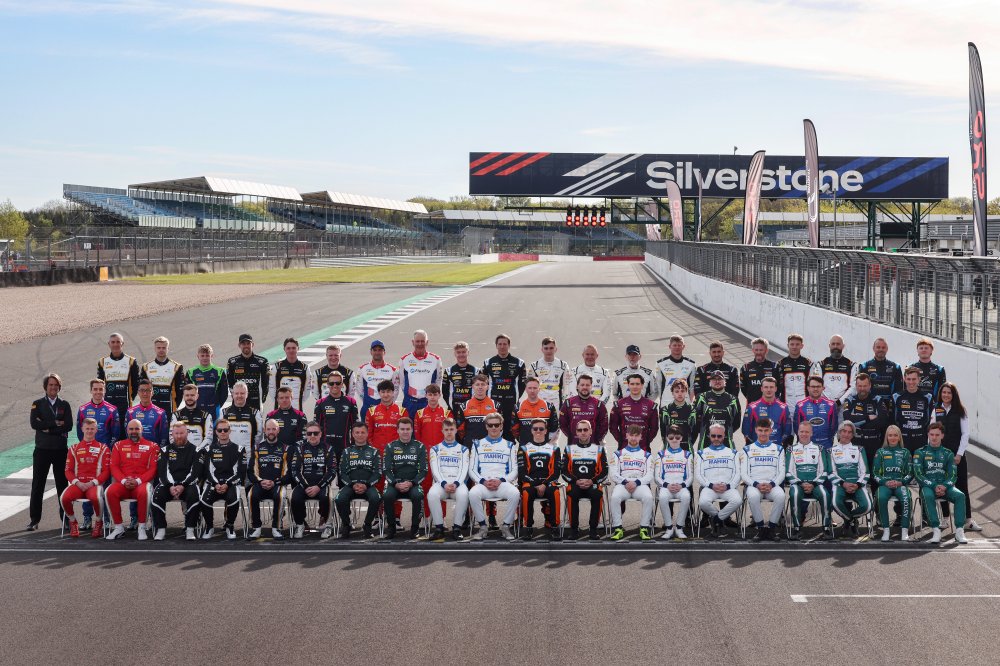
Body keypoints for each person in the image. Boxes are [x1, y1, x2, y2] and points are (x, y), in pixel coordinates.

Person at [933, 381, 981, 531]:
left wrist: (959, 454)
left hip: (957, 456)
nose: (946, 395)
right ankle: (945, 519)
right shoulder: (936, 410)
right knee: (941, 486)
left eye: (949, 393)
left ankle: (968, 520)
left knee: (962, 487)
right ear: (940, 394)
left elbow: (965, 434)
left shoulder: (961, 410)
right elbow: (932, 433)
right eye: (944, 392)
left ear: (953, 395)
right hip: (940, 456)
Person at [28, 373, 73, 531]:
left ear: (59, 387)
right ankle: (34, 520)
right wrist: (56, 423)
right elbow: (34, 424)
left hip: (60, 450)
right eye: (50, 385)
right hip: (42, 450)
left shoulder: (65, 404)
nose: (53, 387)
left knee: (62, 486)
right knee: (37, 485)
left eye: (56, 385)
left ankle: (65, 519)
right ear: (45, 387)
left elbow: (68, 425)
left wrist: (48, 428)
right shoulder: (37, 404)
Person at [105, 419, 160, 541]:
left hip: (142, 483)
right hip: (123, 483)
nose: (134, 431)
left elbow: (153, 469)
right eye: (131, 429)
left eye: (137, 429)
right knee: (110, 491)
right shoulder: (118, 445)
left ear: (142, 430)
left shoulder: (153, 446)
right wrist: (124, 481)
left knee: (144, 492)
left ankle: (142, 527)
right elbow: (114, 467)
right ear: (127, 430)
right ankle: (118, 527)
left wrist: (138, 481)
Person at [913, 422, 968, 544]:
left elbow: (953, 475)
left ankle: (960, 531)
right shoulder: (920, 452)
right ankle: (936, 530)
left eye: (937, 435)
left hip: (945, 486)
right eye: (931, 434)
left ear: (942, 435)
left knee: (960, 495)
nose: (934, 437)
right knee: (927, 495)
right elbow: (918, 474)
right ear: (928, 435)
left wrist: (945, 486)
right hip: (928, 486)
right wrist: (934, 486)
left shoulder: (948, 453)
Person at [468, 415, 519, 541]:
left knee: (515, 493)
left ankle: (506, 526)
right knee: (472, 493)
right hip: (484, 484)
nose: (494, 428)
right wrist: (483, 481)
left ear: (501, 426)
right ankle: (483, 527)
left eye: (497, 425)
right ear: (486, 426)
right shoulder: (477, 444)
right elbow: (472, 469)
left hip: (502, 483)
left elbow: (514, 470)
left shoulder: (509, 445)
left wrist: (501, 481)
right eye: (490, 425)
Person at [76, 379, 119, 530]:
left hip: (105, 455)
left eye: (101, 389)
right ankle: (87, 518)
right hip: (87, 457)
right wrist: (87, 449)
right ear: (91, 391)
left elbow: (115, 434)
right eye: (95, 389)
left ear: (104, 391)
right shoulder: (83, 409)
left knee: (105, 489)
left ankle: (106, 518)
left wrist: (105, 451)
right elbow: (79, 433)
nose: (98, 392)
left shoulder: (112, 410)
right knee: (87, 486)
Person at [59, 419, 110, 538]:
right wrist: (77, 483)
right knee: (64, 498)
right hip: (78, 485)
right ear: (82, 429)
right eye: (87, 428)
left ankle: (98, 522)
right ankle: (73, 522)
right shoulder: (73, 448)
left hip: (94, 485)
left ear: (96, 430)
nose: (89, 431)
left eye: (92, 429)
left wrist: (92, 483)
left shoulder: (104, 448)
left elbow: (106, 471)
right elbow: (68, 470)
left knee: (96, 498)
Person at [151, 423, 202, 540]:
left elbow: (195, 472)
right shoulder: (164, 450)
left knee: (194, 495)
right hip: (169, 485)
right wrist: (170, 486)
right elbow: (162, 472)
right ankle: (161, 529)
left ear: (187, 433)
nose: (179, 436)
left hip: (187, 484)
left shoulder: (197, 450)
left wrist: (182, 485)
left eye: (182, 433)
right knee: (156, 495)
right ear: (172, 434)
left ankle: (190, 529)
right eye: (176, 433)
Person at [198, 419, 247, 540]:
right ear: (216, 432)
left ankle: (229, 525)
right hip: (214, 483)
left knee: (234, 499)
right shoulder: (208, 449)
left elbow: (240, 472)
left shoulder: (239, 449)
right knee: (204, 500)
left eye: (225, 430)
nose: (223, 432)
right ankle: (209, 527)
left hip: (231, 484)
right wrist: (216, 484)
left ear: (230, 431)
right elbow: (207, 471)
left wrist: (227, 484)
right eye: (220, 430)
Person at [739, 417, 786, 542]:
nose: (763, 433)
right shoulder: (747, 449)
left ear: (771, 431)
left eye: (766, 430)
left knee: (781, 496)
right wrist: (756, 484)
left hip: (772, 486)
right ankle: (760, 529)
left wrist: (771, 484)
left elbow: (782, 473)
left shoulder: (779, 449)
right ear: (756, 430)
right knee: (753, 496)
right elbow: (744, 474)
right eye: (760, 430)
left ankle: (771, 529)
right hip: (754, 485)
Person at [785, 421, 832, 541]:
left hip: (815, 484)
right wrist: (801, 483)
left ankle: (826, 527)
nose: (804, 434)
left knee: (825, 494)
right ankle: (797, 528)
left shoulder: (819, 448)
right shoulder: (791, 449)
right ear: (798, 432)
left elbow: (824, 471)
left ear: (811, 433)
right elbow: (788, 472)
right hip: (798, 484)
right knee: (794, 494)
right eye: (801, 431)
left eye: (807, 432)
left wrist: (813, 484)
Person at [382, 418, 428, 539]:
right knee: (387, 496)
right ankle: (391, 527)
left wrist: (412, 483)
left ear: (412, 430)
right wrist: (395, 483)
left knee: (418, 495)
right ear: (397, 430)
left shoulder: (420, 446)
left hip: (413, 483)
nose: (405, 432)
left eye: (408, 429)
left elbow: (424, 470)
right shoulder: (390, 446)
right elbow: (386, 470)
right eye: (402, 429)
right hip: (395, 483)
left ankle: (415, 528)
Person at [288, 421, 336, 539]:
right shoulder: (300, 449)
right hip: (304, 485)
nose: (312, 436)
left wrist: (318, 486)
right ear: (306, 435)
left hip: (321, 485)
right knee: (294, 498)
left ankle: (327, 525)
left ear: (321, 434)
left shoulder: (328, 448)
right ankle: (300, 525)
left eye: (315, 433)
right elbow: (295, 471)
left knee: (327, 498)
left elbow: (332, 471)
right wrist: (305, 486)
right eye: (309, 433)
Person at [335, 422, 383, 539]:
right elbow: (342, 472)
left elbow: (378, 473)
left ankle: (367, 525)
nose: (360, 435)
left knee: (376, 498)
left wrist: (366, 485)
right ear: (352, 434)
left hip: (368, 485)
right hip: (351, 485)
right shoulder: (346, 451)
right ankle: (346, 525)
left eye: (362, 432)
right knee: (339, 499)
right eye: (357, 432)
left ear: (367, 434)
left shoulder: (374, 451)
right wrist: (352, 484)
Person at [517, 418, 562, 540]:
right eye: (535, 428)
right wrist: (536, 484)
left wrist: (544, 484)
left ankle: (555, 527)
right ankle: (528, 527)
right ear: (531, 430)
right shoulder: (524, 448)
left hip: (547, 482)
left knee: (555, 492)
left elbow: (556, 472)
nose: (538, 431)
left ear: (546, 431)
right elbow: (522, 472)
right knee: (526, 492)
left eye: (541, 429)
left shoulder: (554, 449)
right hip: (531, 483)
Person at [563, 419, 608, 540]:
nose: (582, 432)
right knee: (571, 493)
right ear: (576, 433)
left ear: (590, 432)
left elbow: (605, 472)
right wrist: (576, 481)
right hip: (575, 484)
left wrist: (592, 481)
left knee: (597, 494)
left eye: (585, 430)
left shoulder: (599, 449)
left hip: (592, 483)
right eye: (579, 430)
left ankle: (593, 529)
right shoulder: (569, 449)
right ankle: (574, 529)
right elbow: (564, 471)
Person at [246, 419, 291, 540]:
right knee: (251, 495)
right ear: (264, 431)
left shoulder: (286, 448)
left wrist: (275, 482)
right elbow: (250, 471)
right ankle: (256, 528)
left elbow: (289, 473)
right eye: (268, 429)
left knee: (279, 496)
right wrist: (260, 481)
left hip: (278, 484)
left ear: (278, 430)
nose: (271, 432)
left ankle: (276, 528)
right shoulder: (257, 448)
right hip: (260, 483)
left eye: (274, 429)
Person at [608, 425, 654, 542]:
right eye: (631, 435)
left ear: (641, 437)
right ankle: (618, 528)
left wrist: (636, 482)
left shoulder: (647, 455)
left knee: (648, 497)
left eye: (636, 435)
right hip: (623, 484)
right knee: (614, 497)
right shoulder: (617, 454)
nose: (633, 438)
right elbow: (613, 474)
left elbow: (649, 475)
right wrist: (625, 482)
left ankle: (644, 528)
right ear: (626, 436)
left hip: (639, 484)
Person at [427, 418, 470, 541]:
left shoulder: (464, 449)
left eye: (451, 429)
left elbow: (464, 470)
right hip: (441, 484)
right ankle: (439, 528)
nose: (449, 432)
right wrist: (444, 484)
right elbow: (435, 470)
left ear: (456, 430)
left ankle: (457, 528)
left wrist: (456, 483)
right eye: (446, 430)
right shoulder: (435, 449)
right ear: (442, 431)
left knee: (464, 494)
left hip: (458, 484)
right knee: (432, 494)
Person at [829, 422, 873, 537]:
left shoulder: (859, 449)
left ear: (853, 435)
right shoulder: (831, 451)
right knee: (835, 503)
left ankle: (848, 521)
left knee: (868, 506)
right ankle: (852, 521)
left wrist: (857, 485)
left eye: (849, 432)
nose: (846, 434)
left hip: (857, 484)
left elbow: (865, 472)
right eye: (844, 431)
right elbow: (831, 473)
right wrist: (843, 484)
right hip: (840, 484)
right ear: (839, 433)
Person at [482, 333, 527, 440]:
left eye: (505, 344)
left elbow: (522, 384)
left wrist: (514, 397)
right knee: (493, 429)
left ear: (509, 345)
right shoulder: (488, 362)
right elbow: (483, 383)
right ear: (496, 346)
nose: (502, 346)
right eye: (500, 344)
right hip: (493, 402)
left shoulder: (519, 363)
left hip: (511, 402)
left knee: (509, 432)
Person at [872, 425, 912, 542]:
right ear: (886, 437)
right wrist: (885, 482)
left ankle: (904, 530)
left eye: (895, 435)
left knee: (906, 498)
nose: (893, 438)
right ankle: (886, 530)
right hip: (885, 485)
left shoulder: (905, 452)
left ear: (899, 437)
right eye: (890, 435)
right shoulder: (880, 452)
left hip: (900, 484)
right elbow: (875, 473)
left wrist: (901, 482)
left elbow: (910, 473)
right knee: (881, 498)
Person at [313, 371, 359, 471]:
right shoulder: (320, 403)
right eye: (331, 383)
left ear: (342, 384)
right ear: (327, 385)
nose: (335, 386)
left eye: (338, 383)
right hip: (325, 447)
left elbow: (355, 427)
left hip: (344, 447)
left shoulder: (351, 402)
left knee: (344, 477)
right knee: (324, 476)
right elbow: (316, 427)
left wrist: (354, 446)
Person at [654, 426, 692, 540]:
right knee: (662, 497)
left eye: (677, 437)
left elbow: (690, 477)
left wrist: (681, 485)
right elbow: (657, 476)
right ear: (667, 438)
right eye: (671, 437)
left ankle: (679, 528)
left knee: (686, 496)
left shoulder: (687, 454)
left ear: (681, 438)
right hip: (666, 487)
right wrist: (667, 485)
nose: (674, 440)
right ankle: (669, 528)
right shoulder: (661, 454)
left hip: (681, 487)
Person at [842, 373, 890, 463]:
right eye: (860, 386)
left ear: (870, 385)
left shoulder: (877, 400)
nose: (862, 389)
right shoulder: (850, 400)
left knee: (873, 470)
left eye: (865, 386)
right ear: (856, 386)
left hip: (874, 443)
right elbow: (847, 419)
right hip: (855, 444)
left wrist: (858, 423)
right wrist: (868, 418)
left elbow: (883, 421)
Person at [97, 332, 139, 433]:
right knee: (108, 431)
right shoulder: (102, 362)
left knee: (124, 432)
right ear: (109, 344)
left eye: (118, 342)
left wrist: (130, 398)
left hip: (125, 404)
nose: (115, 344)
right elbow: (100, 383)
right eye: (113, 342)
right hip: (108, 403)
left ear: (122, 343)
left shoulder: (131, 361)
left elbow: (136, 383)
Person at [396, 329, 443, 416]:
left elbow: (438, 380)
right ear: (413, 342)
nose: (420, 344)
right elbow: (402, 382)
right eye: (417, 341)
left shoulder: (436, 359)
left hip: (428, 402)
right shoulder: (404, 359)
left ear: (427, 342)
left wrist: (432, 397)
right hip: (410, 403)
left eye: (422, 341)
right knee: (407, 425)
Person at [609, 373, 659, 450]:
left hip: (643, 448)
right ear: (628, 385)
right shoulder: (619, 404)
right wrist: (621, 441)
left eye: (637, 384)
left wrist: (646, 442)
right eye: (632, 384)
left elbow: (654, 428)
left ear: (642, 385)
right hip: (624, 447)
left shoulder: (651, 405)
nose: (635, 387)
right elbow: (613, 427)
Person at [694, 370, 741, 449]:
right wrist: (704, 430)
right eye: (714, 379)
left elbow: (736, 423)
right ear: (710, 382)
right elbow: (694, 421)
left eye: (719, 379)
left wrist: (724, 432)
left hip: (726, 442)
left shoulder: (733, 399)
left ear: (725, 382)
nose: (717, 381)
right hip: (705, 442)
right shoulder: (701, 397)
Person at [527, 336, 574, 413]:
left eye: (551, 348)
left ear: (556, 349)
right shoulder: (534, 366)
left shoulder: (563, 365)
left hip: (557, 403)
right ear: (542, 350)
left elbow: (567, 387)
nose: (549, 351)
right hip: (539, 402)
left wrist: (564, 403)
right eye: (546, 348)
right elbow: (529, 387)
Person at [351, 339, 399, 415]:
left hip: (386, 408)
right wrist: (367, 401)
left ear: (384, 352)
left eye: (380, 350)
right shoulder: (362, 369)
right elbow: (359, 389)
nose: (377, 352)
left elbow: (395, 390)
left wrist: (388, 403)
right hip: (367, 408)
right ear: (371, 352)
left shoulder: (393, 370)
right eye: (375, 350)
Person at [560, 374, 609, 445]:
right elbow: (562, 423)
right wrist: (572, 436)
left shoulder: (599, 404)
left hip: (593, 445)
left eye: (587, 385)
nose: (585, 387)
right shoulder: (568, 403)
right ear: (577, 386)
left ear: (591, 386)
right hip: (573, 444)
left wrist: (596, 438)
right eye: (582, 385)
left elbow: (604, 426)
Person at [741, 377, 792, 447]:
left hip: (776, 448)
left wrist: (778, 442)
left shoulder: (784, 408)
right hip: (757, 448)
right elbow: (746, 431)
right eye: (766, 387)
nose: (769, 390)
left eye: (771, 387)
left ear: (776, 389)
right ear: (761, 389)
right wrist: (756, 443)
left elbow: (787, 431)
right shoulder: (752, 407)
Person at [892, 367, 934, 453]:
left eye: (914, 379)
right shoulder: (896, 397)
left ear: (919, 379)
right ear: (904, 379)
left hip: (921, 440)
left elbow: (930, 421)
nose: (911, 382)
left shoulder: (928, 397)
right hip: (902, 440)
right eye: (908, 379)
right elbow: (893, 420)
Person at [139, 336, 185, 413]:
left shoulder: (177, 367)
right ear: (155, 349)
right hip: (151, 407)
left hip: (170, 408)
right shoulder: (146, 367)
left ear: (168, 349)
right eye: (159, 348)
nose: (161, 350)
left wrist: (175, 406)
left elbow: (180, 390)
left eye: (164, 348)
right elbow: (142, 388)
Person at [850, 338, 902, 404]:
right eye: (878, 347)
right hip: (870, 404)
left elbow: (899, 390)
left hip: (889, 405)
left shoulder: (896, 367)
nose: (881, 349)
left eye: (883, 347)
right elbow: (859, 388)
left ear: (887, 349)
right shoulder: (864, 366)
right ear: (873, 348)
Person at [454, 374, 500, 447]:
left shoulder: (496, 405)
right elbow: (460, 429)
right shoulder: (464, 406)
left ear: (487, 387)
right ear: (473, 386)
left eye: (483, 384)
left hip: (491, 446)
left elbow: (500, 428)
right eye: (477, 384)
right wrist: (467, 441)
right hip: (470, 445)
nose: (480, 387)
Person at [792, 376, 837, 449]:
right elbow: (796, 427)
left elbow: (834, 426)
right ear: (808, 388)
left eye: (818, 386)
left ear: (823, 388)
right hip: (806, 445)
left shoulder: (831, 405)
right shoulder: (800, 405)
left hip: (826, 444)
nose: (815, 389)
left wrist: (828, 439)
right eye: (813, 386)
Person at [810, 335, 858, 405]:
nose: (835, 346)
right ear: (829, 346)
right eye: (833, 344)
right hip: (825, 404)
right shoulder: (820, 365)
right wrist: (827, 402)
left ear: (843, 346)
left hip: (844, 405)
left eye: (838, 344)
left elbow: (853, 387)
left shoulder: (851, 365)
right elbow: (816, 384)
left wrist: (839, 402)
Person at [223, 381, 264, 462]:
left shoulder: (255, 413)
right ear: (232, 394)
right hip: (228, 455)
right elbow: (219, 434)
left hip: (248, 456)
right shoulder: (224, 412)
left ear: (247, 394)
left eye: (242, 393)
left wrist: (250, 447)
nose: (239, 396)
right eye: (236, 393)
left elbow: (259, 435)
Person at [270, 337, 314, 412]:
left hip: (297, 409)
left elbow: (308, 390)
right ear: (284, 349)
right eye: (288, 348)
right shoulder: (276, 367)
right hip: (279, 409)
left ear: (298, 349)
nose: (291, 350)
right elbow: (271, 388)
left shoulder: (305, 368)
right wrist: (280, 401)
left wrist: (298, 401)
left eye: (293, 348)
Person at [226, 333, 269, 411]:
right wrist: (235, 397)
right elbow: (230, 383)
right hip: (238, 401)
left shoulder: (262, 361)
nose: (246, 346)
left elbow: (266, 383)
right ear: (239, 345)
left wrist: (262, 399)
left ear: (253, 344)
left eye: (248, 343)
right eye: (243, 344)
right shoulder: (232, 362)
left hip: (256, 402)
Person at [186, 343, 228, 420]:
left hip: (214, 409)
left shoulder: (219, 372)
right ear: (198, 356)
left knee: (213, 428)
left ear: (212, 356)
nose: (205, 358)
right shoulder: (191, 372)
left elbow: (224, 393)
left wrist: (217, 405)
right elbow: (187, 393)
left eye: (207, 355)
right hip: (196, 408)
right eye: (202, 356)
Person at [513, 377, 558, 444]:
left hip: (544, 446)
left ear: (539, 389)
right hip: (525, 446)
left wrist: (547, 441)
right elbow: (514, 428)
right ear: (526, 389)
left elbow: (554, 427)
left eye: (535, 388)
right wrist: (522, 440)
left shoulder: (549, 407)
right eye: (530, 388)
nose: (532, 391)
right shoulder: (518, 407)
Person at [126, 380, 168, 447]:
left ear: (152, 393)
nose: (145, 393)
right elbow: (127, 434)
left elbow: (164, 436)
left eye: (148, 390)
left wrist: (159, 450)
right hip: (135, 450)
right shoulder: (130, 412)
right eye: (142, 390)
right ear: (138, 393)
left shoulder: (161, 413)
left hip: (153, 450)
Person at [655, 335, 696, 403]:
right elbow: (658, 386)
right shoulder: (660, 364)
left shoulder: (691, 364)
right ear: (670, 346)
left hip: (685, 403)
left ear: (683, 346)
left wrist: (690, 403)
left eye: (679, 345)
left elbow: (692, 387)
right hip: (666, 402)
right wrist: (661, 401)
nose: (677, 347)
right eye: (674, 345)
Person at [171, 383, 214, 450]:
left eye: (192, 395)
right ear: (183, 396)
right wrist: (180, 450)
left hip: (199, 453)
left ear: (197, 396)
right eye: (187, 395)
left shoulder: (206, 416)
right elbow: (171, 437)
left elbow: (209, 438)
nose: (189, 398)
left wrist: (197, 451)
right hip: (180, 452)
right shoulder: (176, 415)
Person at [740, 337, 779, 406]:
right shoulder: (745, 368)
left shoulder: (775, 366)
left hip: (771, 405)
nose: (758, 352)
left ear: (766, 350)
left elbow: (779, 387)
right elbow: (743, 388)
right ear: (753, 350)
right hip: (752, 406)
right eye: (756, 350)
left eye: (761, 350)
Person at [659, 380, 698, 450]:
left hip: (687, 447)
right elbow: (663, 431)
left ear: (686, 392)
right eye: (677, 391)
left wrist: (689, 443)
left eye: (682, 391)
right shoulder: (665, 410)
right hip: (669, 447)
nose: (680, 394)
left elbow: (695, 431)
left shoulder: (692, 410)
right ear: (672, 393)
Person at [777, 333, 812, 409]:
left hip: (804, 404)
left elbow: (812, 384)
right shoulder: (780, 363)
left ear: (802, 346)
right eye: (792, 344)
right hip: (785, 404)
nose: (794, 347)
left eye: (797, 344)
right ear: (788, 345)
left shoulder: (808, 363)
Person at [443, 341, 477, 412]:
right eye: (458, 352)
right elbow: (445, 392)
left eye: (463, 352)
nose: (461, 354)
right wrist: (450, 406)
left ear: (468, 353)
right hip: (454, 409)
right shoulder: (448, 371)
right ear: (455, 354)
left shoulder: (476, 371)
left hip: (472, 409)